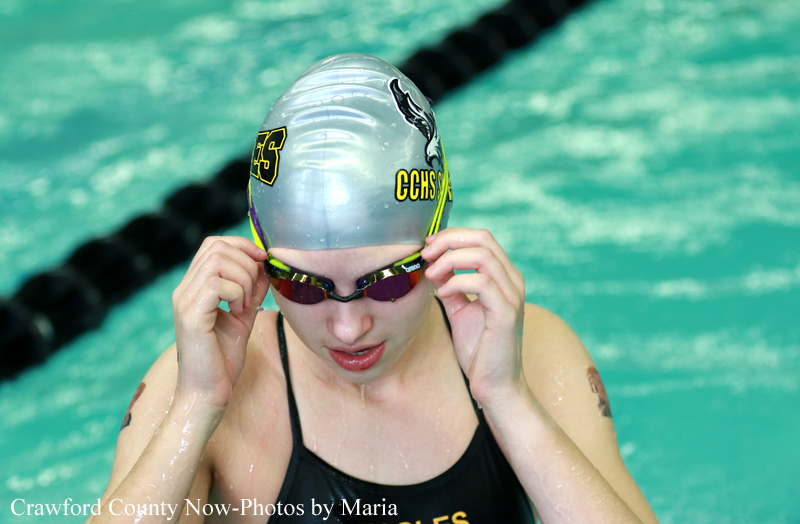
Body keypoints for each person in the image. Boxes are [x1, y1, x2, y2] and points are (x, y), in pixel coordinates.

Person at [88, 54, 659, 524]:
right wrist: (196, 408)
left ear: (438, 239)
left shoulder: (533, 352)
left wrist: (506, 398)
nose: (348, 327)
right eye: (301, 286)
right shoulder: (203, 377)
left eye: (388, 282)